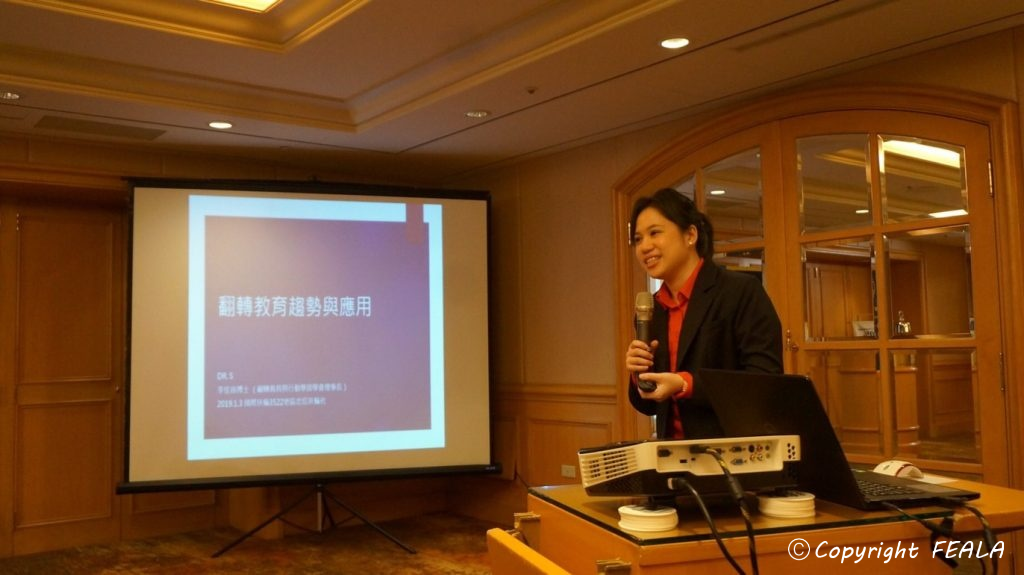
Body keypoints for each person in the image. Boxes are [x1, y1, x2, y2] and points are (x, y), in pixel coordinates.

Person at [626, 187, 783, 439]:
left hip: (732, 449)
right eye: (638, 239)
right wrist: (639, 376)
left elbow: (764, 382)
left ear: (690, 235)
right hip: (672, 453)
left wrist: (685, 384)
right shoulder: (651, 309)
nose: (644, 247)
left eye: (654, 233)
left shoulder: (740, 291)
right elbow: (649, 406)